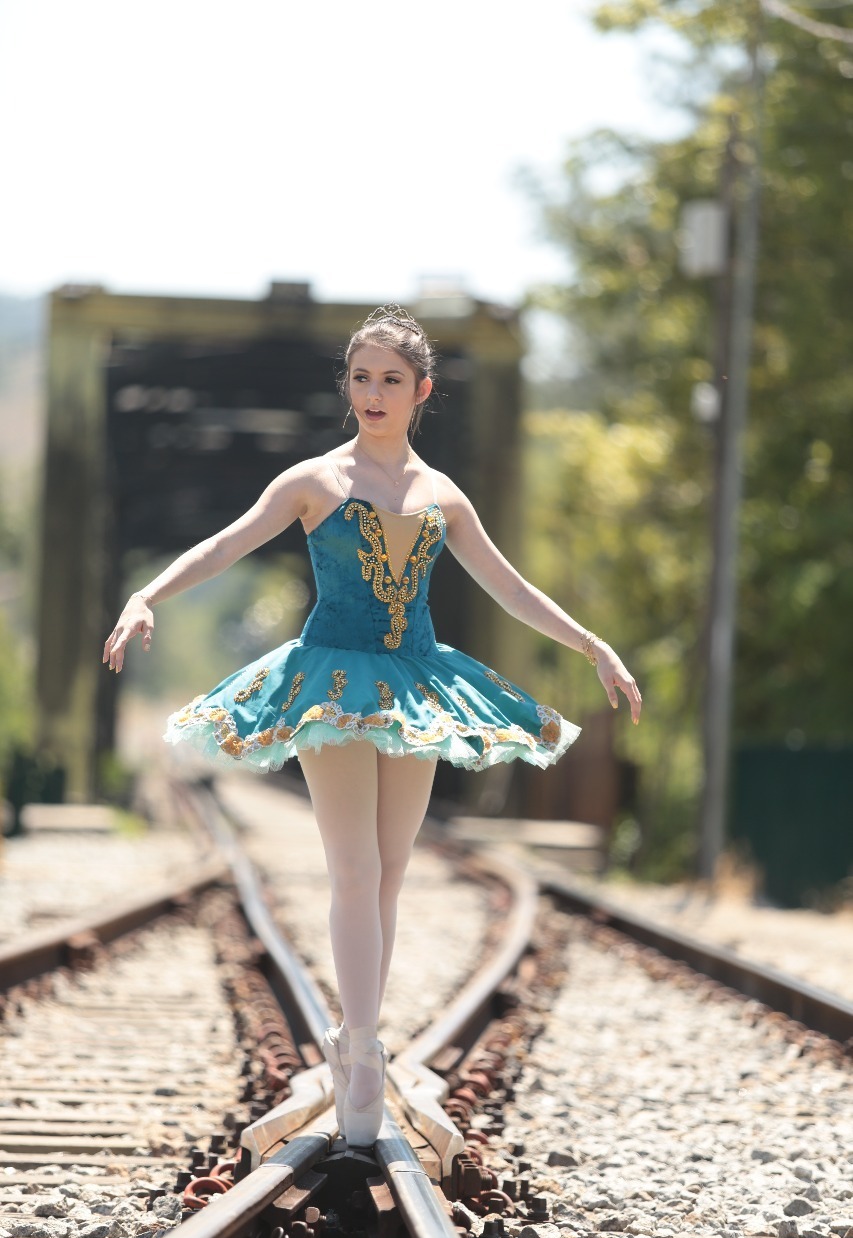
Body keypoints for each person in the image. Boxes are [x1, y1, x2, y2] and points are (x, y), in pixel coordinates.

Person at [103, 303, 642, 1147]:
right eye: (361, 377)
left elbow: (508, 587)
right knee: (353, 869)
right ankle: (359, 1053)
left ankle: (363, 1035)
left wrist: (591, 644)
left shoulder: (442, 495)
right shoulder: (313, 481)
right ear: (348, 386)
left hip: (417, 686)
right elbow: (226, 544)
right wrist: (146, 596)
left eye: (391, 379)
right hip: (332, 682)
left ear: (422, 390)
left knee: (390, 871)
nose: (373, 393)